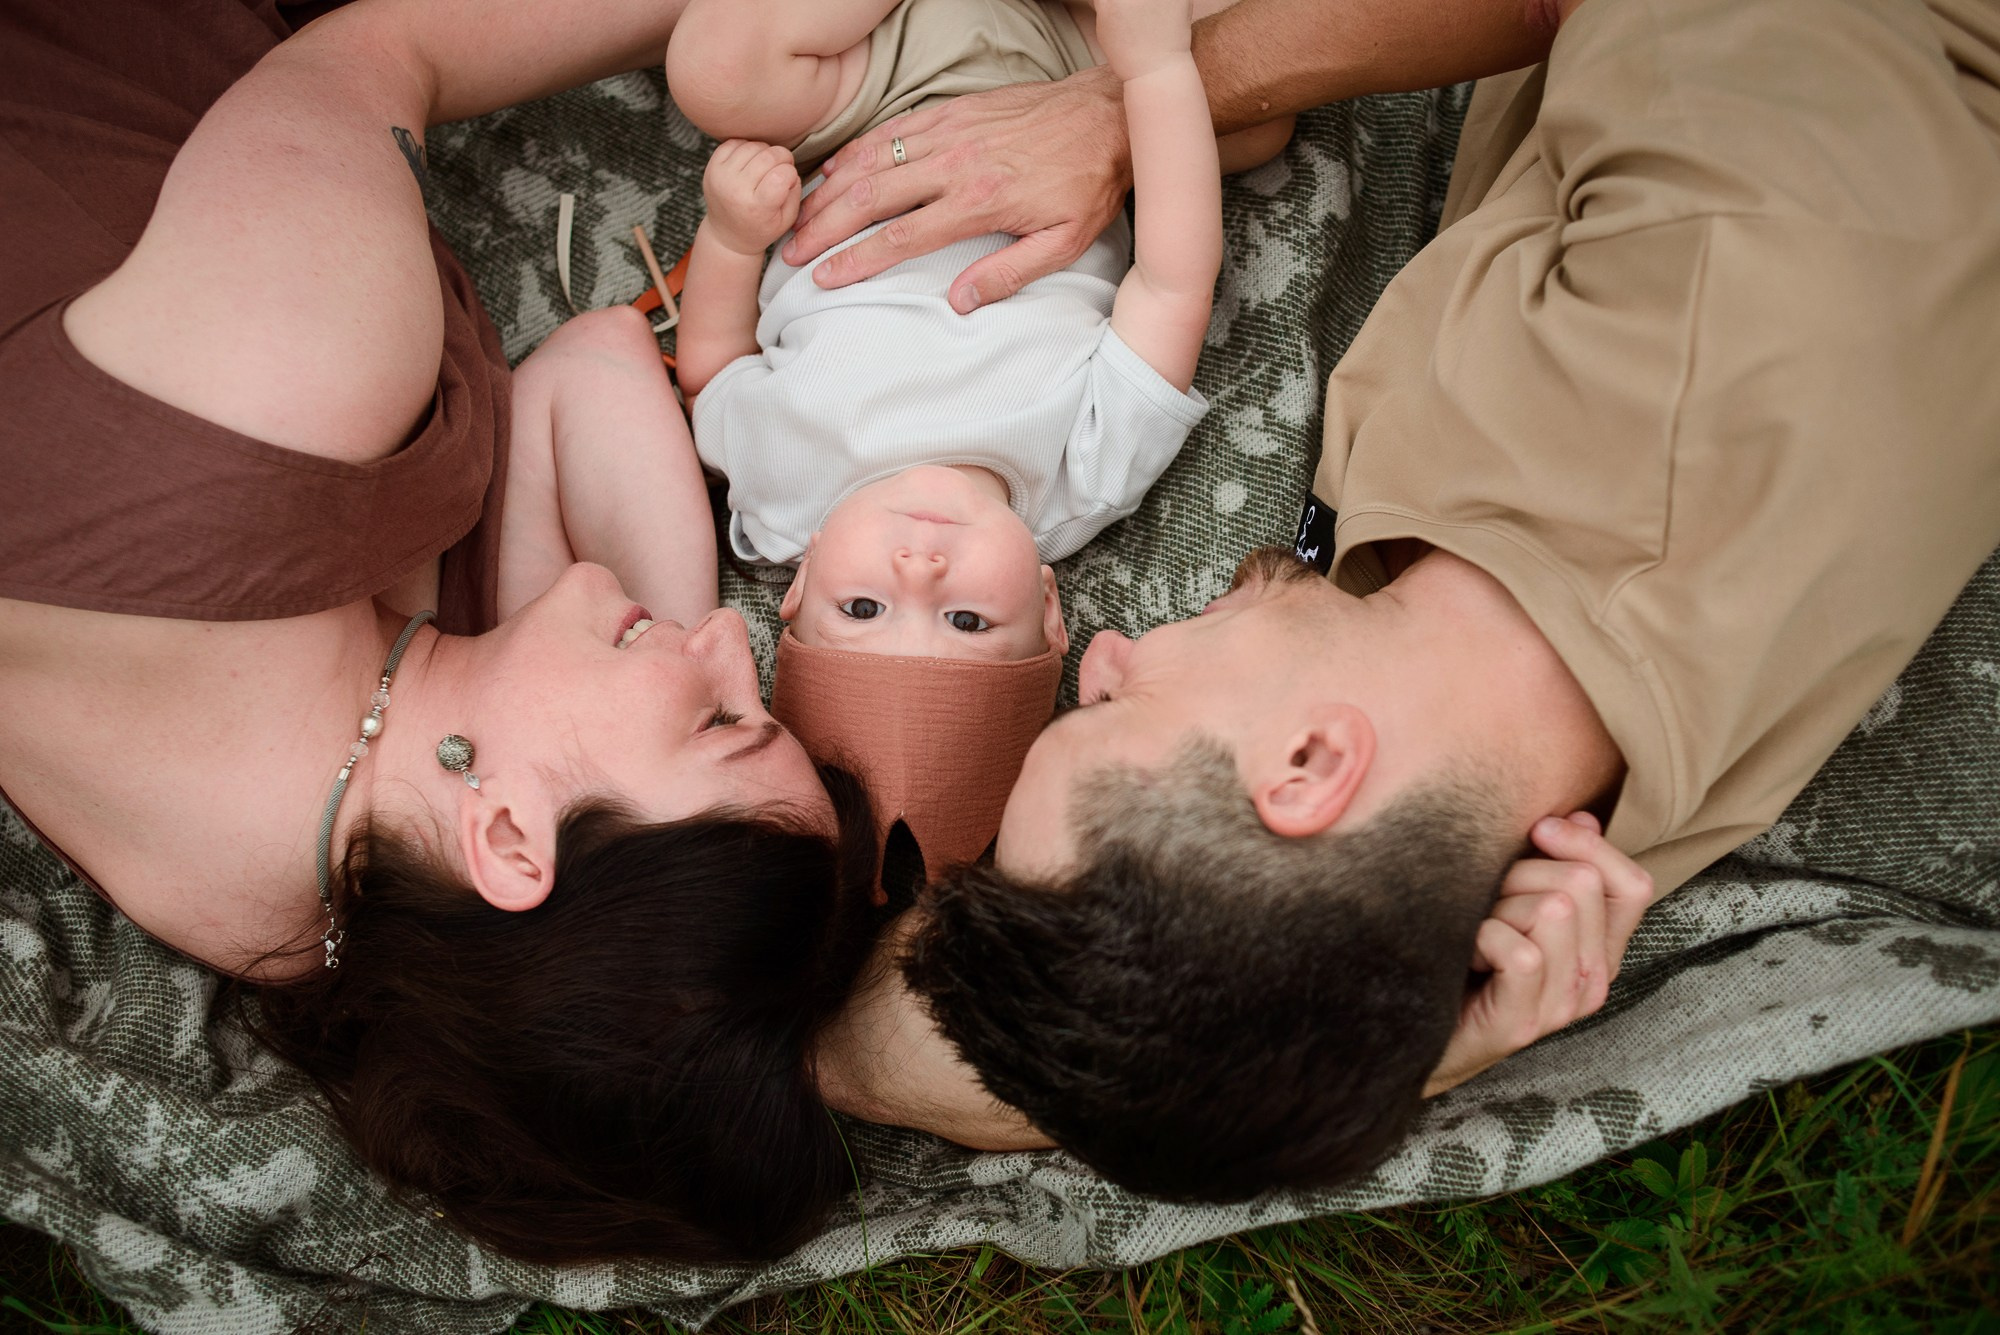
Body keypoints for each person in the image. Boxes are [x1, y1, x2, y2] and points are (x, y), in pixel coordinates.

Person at [803, 0, 2000, 1198]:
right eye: (1105, 711)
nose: (1103, 648)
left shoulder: (1503, 803)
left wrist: (1420, 1056)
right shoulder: (1719, 298)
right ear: (1314, 764)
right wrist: (1125, 106)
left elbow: (883, 1059)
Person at [0, 0, 888, 1264]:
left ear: (516, 841)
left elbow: (383, 47)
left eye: (720, 722)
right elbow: (586, 373)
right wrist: (657, 650)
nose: (733, 647)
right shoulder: (353, 878)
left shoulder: (300, 389)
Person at [640, 0, 1284, 876]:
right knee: (1259, 115)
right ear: (1052, 613)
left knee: (715, 69)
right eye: (969, 620)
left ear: (798, 587)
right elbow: (1174, 281)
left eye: (862, 610)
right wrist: (1155, 73)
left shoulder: (780, 496)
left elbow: (712, 367)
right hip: (1073, 86)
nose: (919, 571)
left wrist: (731, 236)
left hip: (871, 92)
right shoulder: (1085, 472)